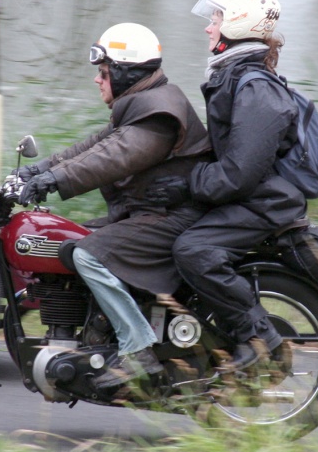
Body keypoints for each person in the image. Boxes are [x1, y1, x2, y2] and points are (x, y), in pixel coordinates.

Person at [18, 22, 211, 391]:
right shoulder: (143, 102)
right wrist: (38, 170)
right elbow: (91, 147)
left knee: (88, 255)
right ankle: (97, 332)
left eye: (104, 72)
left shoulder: (158, 113)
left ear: (124, 72)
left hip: (170, 218)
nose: (98, 80)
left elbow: (112, 157)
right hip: (152, 213)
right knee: (76, 238)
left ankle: (138, 349)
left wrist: (54, 182)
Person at [148, 0, 305, 371]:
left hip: (265, 204)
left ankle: (260, 338)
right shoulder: (236, 76)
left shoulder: (256, 90)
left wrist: (189, 184)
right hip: (251, 196)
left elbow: (238, 174)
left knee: (194, 250)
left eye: (216, 18)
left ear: (236, 24)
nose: (208, 26)